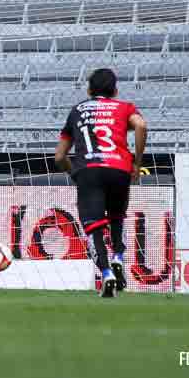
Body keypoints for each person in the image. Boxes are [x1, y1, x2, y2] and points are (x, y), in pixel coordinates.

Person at [55, 68, 146, 298]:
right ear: (115, 90)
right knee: (117, 216)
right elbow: (141, 126)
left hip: (89, 171)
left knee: (94, 226)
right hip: (119, 169)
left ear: (88, 90)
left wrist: (75, 173)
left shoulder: (77, 111)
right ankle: (118, 257)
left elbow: (59, 157)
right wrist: (136, 162)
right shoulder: (124, 107)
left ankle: (106, 274)